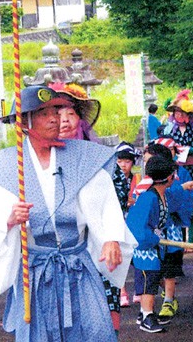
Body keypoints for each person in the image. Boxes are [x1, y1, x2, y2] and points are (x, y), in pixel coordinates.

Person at [0, 85, 136, 341]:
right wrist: (10, 219)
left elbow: (104, 201)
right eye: (45, 113)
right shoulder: (5, 167)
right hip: (35, 270)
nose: (55, 118)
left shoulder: (82, 159)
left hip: (78, 265)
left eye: (56, 111)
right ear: (25, 121)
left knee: (93, 331)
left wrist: (111, 236)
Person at [55, 83, 125, 331]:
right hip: (56, 256)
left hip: (97, 248)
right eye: (56, 114)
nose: (63, 121)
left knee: (102, 319)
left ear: (81, 120)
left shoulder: (101, 159)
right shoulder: (40, 160)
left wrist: (110, 235)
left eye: (70, 114)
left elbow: (118, 197)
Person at [127, 152, 193, 333]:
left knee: (152, 280)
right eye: (173, 175)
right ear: (169, 177)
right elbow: (135, 226)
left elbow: (175, 193)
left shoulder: (161, 193)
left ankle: (145, 314)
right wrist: (153, 238)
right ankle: (147, 316)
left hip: (153, 247)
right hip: (145, 248)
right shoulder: (149, 198)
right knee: (148, 284)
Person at [160, 90, 193, 243]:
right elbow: (160, 150)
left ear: (189, 115)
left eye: (182, 113)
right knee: (176, 204)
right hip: (174, 172)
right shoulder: (167, 131)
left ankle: (192, 241)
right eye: (176, 113)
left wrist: (192, 151)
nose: (179, 116)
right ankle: (180, 241)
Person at [113, 141, 141, 308]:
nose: (123, 165)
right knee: (119, 257)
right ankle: (122, 291)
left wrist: (133, 201)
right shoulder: (110, 180)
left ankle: (139, 290)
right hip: (117, 222)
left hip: (133, 222)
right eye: (120, 161)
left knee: (136, 255)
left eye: (127, 161)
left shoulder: (138, 180)